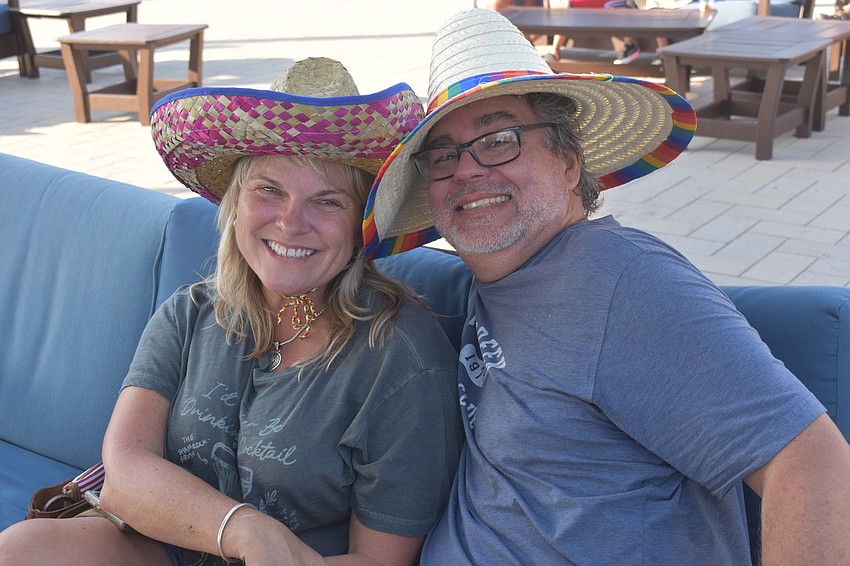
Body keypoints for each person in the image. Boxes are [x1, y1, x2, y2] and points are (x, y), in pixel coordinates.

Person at [362, 9, 850, 564]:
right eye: (444, 155)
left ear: (568, 165)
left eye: (499, 140)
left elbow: (813, 464)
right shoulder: (506, 274)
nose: (468, 169)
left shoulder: (624, 281)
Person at [0, 57, 463, 565]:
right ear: (234, 203)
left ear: (361, 225)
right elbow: (125, 470)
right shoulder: (191, 313)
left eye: (328, 202)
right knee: (23, 549)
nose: (290, 223)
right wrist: (244, 531)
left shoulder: (401, 360)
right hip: (163, 546)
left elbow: (380, 560)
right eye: (269, 190)